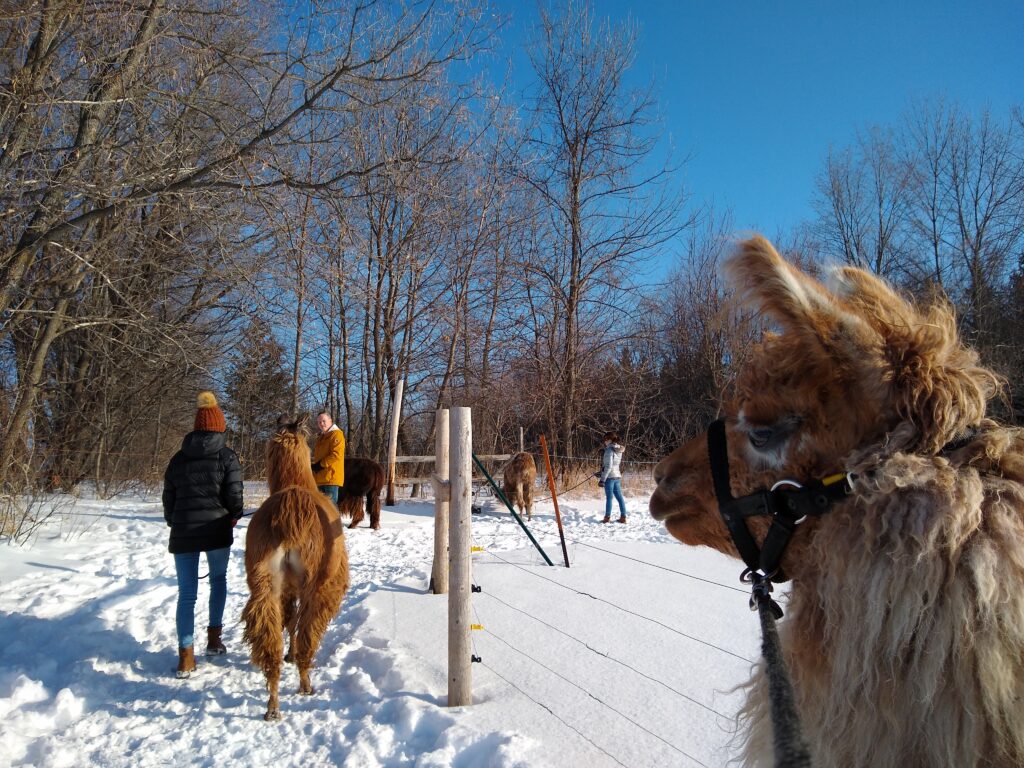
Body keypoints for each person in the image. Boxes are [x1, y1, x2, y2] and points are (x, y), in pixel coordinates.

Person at [162, 391, 243, 679]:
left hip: (183, 532)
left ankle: (186, 656)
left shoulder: (177, 458)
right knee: (218, 581)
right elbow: (234, 494)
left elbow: (168, 497)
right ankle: (214, 639)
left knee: (186, 594)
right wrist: (235, 514)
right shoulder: (227, 456)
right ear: (220, 426)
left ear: (196, 427)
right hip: (216, 529)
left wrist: (174, 521)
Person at [311, 411, 345, 504]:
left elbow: (336, 455)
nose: (321, 424)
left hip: (330, 478)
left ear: (330, 421)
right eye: (319, 422)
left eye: (323, 421)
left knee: (331, 509)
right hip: (320, 478)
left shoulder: (336, 434)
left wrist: (320, 465)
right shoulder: (321, 437)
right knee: (322, 509)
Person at [598, 431, 627, 523]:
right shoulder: (618, 449)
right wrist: (601, 472)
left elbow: (609, 466)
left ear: (609, 440)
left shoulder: (609, 450)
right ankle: (623, 517)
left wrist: (602, 479)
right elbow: (613, 465)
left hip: (610, 478)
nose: (604, 441)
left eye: (605, 439)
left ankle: (607, 518)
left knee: (609, 498)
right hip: (617, 475)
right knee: (619, 497)